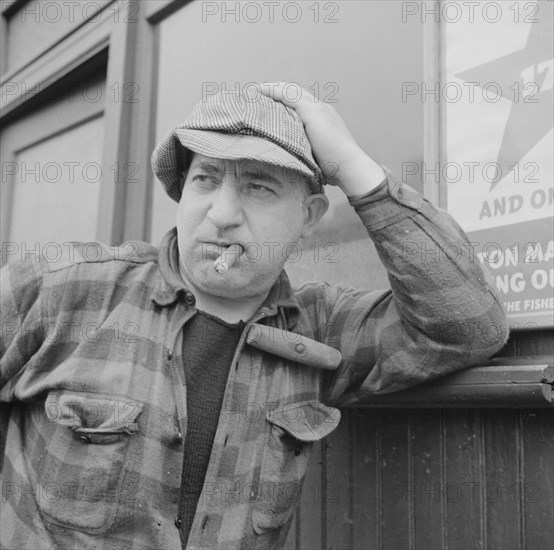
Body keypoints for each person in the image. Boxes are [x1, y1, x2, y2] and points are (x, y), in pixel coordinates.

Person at [0, 82, 508, 550]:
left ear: (308, 218)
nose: (221, 213)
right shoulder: (63, 289)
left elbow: (465, 326)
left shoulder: (320, 330)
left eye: (258, 187)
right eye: (205, 179)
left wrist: (354, 166)